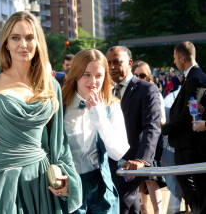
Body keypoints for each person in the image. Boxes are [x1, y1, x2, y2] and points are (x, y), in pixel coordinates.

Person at [0, 11, 82, 213]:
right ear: (6, 43)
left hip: (41, 181)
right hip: (1, 180)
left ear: (38, 42)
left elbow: (59, 142)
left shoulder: (51, 85)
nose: (23, 44)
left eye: (29, 37)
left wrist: (67, 178)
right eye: (15, 38)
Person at [61, 49, 129, 213]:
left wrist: (99, 117)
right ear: (76, 75)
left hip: (101, 189)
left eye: (99, 75)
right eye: (86, 74)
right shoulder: (59, 106)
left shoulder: (111, 107)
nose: (93, 81)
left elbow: (118, 153)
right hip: (67, 188)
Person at [106, 46, 161, 214]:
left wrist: (141, 160)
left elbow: (152, 126)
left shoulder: (146, 89)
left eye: (117, 62)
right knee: (130, 207)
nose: (112, 67)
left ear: (129, 63)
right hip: (108, 163)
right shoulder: (106, 90)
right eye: (109, 63)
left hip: (131, 164)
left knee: (121, 204)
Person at [162, 41, 206, 214]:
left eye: (174, 58)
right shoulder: (193, 76)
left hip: (191, 145)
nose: (174, 62)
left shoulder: (195, 77)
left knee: (195, 188)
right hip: (187, 144)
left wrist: (167, 128)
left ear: (182, 58)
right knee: (191, 186)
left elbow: (189, 113)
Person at [132, 61, 166, 214]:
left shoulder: (154, 92)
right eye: (136, 75)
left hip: (151, 139)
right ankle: (144, 211)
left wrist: (149, 121)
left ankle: (158, 212)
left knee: (151, 177)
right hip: (135, 139)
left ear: (149, 77)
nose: (139, 78)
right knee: (137, 178)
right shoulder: (131, 92)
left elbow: (162, 119)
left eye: (142, 75)